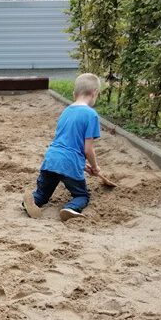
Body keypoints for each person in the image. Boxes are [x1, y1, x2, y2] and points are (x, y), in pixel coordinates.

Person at [23, 72, 113, 221]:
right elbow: (87, 149)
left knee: (43, 194)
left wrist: (83, 165)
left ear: (74, 94)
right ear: (95, 93)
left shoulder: (66, 111)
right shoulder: (91, 115)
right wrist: (95, 167)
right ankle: (69, 208)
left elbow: (67, 144)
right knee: (82, 195)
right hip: (69, 163)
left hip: (51, 159)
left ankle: (33, 200)